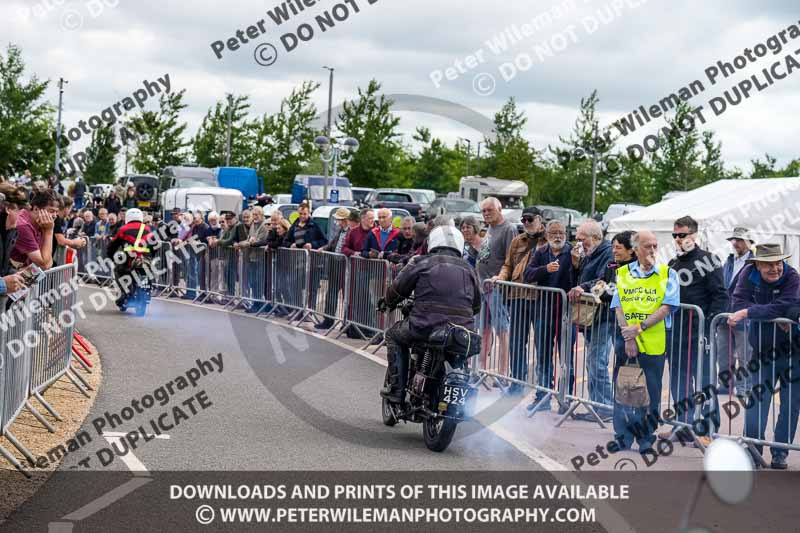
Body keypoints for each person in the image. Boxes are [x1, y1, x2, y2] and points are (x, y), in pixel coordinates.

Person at [380, 224, 482, 403]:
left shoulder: (421, 262)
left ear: (432, 242)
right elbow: (476, 306)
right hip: (460, 331)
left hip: (424, 325)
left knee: (393, 336)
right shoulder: (469, 269)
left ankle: (396, 390)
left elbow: (398, 289)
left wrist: (387, 302)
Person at [729, 244, 800, 470]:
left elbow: (790, 306)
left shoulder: (792, 276)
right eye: (769, 264)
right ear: (757, 265)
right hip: (761, 350)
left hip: (794, 354)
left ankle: (780, 453)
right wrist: (776, 312)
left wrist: (750, 312)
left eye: (778, 263)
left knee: (790, 405)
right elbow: (736, 303)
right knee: (756, 403)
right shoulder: (746, 275)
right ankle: (752, 451)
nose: (775, 268)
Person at [611, 230, 680, 453]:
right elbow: (618, 306)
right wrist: (627, 334)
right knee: (623, 389)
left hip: (654, 341)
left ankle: (645, 439)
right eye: (647, 246)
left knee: (650, 392)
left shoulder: (668, 274)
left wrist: (639, 329)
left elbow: (666, 307)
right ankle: (622, 436)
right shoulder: (622, 273)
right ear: (635, 249)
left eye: (655, 246)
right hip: (626, 339)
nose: (652, 250)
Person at [662, 216, 728, 445]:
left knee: (704, 383)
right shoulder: (672, 263)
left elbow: (721, 296)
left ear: (694, 235)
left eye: (682, 235)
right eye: (675, 235)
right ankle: (684, 424)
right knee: (679, 381)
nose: (678, 239)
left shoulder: (709, 260)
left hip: (700, 334)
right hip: (676, 332)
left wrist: (709, 326)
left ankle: (708, 428)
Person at [491, 206, 546, 395]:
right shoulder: (517, 241)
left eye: (530, 219)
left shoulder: (548, 240)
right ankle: (517, 383)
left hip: (541, 298)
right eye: (523, 220)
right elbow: (508, 264)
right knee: (516, 342)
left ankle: (542, 390)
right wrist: (500, 276)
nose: (526, 223)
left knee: (542, 344)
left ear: (539, 219)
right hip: (517, 296)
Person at [524, 220, 576, 412]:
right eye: (553, 232)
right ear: (546, 235)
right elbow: (527, 275)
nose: (558, 236)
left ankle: (566, 399)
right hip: (543, 312)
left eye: (561, 232)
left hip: (566, 314)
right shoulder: (541, 252)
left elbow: (580, 277)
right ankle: (542, 398)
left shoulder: (572, 253)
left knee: (566, 360)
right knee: (544, 358)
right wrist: (545, 269)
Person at [568, 220, 616, 420]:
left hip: (604, 316)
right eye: (577, 239)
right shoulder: (590, 253)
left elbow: (606, 282)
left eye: (582, 239)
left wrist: (585, 288)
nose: (579, 243)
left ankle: (605, 407)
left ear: (596, 237)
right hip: (592, 317)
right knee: (592, 362)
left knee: (597, 362)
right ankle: (596, 406)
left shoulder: (608, 253)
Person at [477, 197, 518, 376]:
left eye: (489, 210)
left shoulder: (508, 229)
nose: (486, 214)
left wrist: (501, 279)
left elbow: (513, 260)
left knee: (502, 331)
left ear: (499, 210)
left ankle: (502, 373)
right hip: (482, 287)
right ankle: (481, 369)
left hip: (497, 289)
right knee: (483, 330)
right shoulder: (489, 229)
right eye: (483, 211)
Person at [717, 227, 755, 395]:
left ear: (749, 242)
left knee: (745, 356)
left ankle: (744, 387)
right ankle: (726, 385)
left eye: (739, 240)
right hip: (725, 314)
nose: (735, 243)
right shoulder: (729, 261)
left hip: (744, 316)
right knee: (723, 354)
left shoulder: (755, 262)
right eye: (734, 240)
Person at [106, 208, 153, 310]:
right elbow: (154, 244)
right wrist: (152, 256)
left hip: (129, 259)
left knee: (118, 270)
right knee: (149, 270)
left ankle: (124, 292)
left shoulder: (123, 229)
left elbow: (112, 245)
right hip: (144, 258)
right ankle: (149, 288)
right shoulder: (147, 229)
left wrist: (110, 256)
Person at [315, 207, 352, 330]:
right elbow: (332, 245)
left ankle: (347, 322)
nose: (337, 222)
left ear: (345, 219)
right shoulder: (341, 231)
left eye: (339, 219)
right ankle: (328, 319)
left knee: (347, 296)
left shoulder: (350, 231)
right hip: (335, 265)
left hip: (346, 267)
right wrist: (324, 248)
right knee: (331, 293)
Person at [10, 189, 57, 269]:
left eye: (56, 212)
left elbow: (48, 262)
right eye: (51, 211)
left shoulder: (40, 224)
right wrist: (49, 231)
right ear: (36, 209)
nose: (55, 215)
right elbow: (45, 265)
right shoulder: (23, 225)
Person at [0, 184, 30, 299]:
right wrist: (2, 285)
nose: (23, 217)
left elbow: (3, 269)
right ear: (8, 209)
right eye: (20, 211)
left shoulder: (10, 233)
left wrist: (17, 275)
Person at [237, 206, 270, 312]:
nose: (255, 217)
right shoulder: (253, 225)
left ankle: (258, 304)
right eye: (254, 215)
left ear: (262, 215)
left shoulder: (264, 226)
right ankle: (255, 303)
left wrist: (247, 243)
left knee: (258, 282)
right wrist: (246, 242)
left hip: (260, 258)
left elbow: (258, 241)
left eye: (257, 215)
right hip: (251, 257)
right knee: (254, 282)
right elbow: (249, 239)